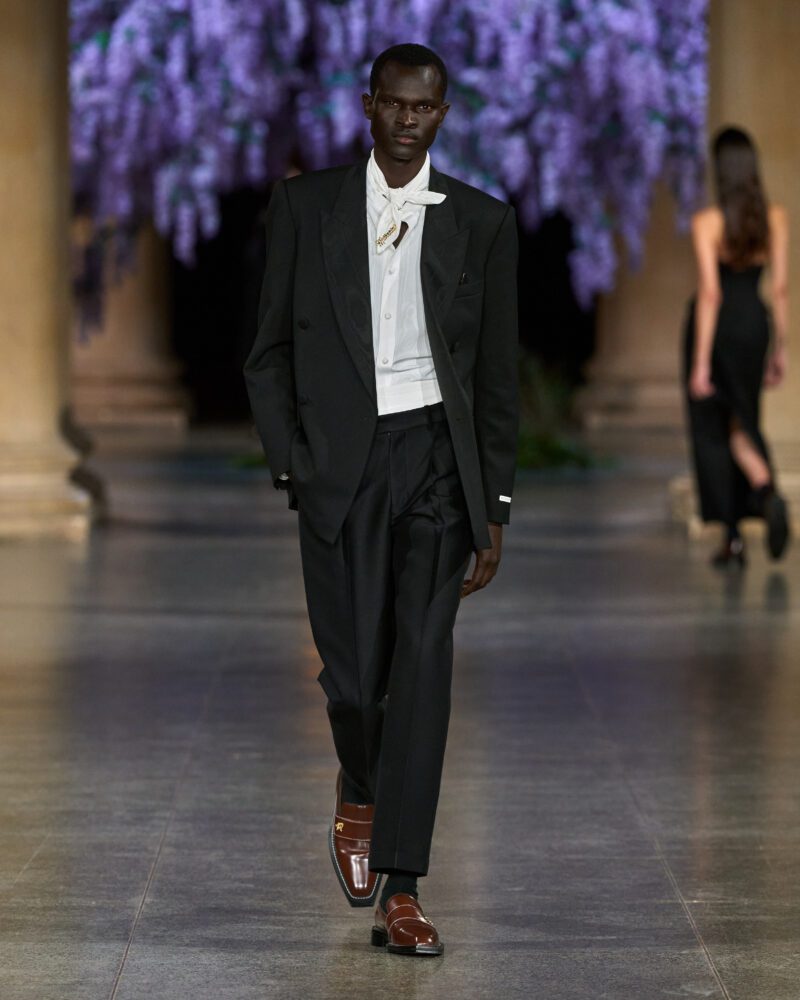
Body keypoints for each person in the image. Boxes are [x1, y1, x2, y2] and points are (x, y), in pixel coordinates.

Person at [244, 43, 519, 956]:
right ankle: (358, 784)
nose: (409, 120)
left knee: (423, 671)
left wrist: (494, 503)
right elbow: (268, 350)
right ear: (368, 106)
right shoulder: (306, 206)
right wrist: (295, 464)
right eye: (395, 104)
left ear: (444, 114)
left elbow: (495, 375)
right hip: (344, 465)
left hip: (438, 462)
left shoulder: (482, 221)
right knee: (357, 683)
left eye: (425, 107)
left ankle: (403, 888)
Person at [684, 125, 790, 568]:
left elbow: (711, 294)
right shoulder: (774, 218)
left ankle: (748, 513)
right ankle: (753, 508)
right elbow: (779, 290)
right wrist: (780, 348)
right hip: (754, 326)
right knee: (742, 421)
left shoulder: (707, 222)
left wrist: (700, 363)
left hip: (718, 330)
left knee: (713, 430)